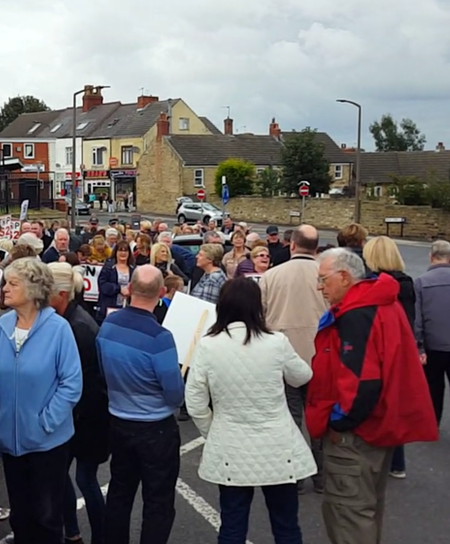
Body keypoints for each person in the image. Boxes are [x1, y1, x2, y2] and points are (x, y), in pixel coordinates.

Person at [309, 248, 437, 544]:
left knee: (348, 514)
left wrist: (339, 422)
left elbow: (362, 381)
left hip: (356, 435)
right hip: (381, 426)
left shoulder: (356, 314)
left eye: (323, 279)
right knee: (367, 510)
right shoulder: (382, 302)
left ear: (344, 277)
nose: (320, 287)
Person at [185, 278, 316, 543]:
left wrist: (213, 432)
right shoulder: (276, 341)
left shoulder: (209, 345)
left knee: (232, 524)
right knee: (286, 525)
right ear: (258, 306)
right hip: (277, 446)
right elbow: (302, 376)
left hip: (231, 445)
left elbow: (195, 400)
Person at [0, 257, 82, 544]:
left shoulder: (58, 329)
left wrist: (45, 423)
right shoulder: (1, 327)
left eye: (13, 283)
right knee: (21, 517)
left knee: (47, 518)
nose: (5, 288)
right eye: (6, 282)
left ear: (34, 289)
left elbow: (71, 383)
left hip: (46, 444)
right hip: (10, 443)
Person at [97, 265, 184, 544]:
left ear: (130, 289)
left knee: (120, 493)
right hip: (156, 428)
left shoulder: (108, 325)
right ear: (161, 293)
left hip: (119, 422)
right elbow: (175, 394)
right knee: (158, 500)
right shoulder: (161, 338)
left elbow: (102, 370)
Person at [259, 223, 327, 492]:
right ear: (317, 247)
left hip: (284, 355)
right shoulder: (327, 275)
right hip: (320, 355)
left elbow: (260, 317)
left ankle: (297, 475)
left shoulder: (272, 276)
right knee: (319, 418)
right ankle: (321, 476)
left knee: (291, 416)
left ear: (292, 245)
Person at [50, 263, 108, 544]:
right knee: (65, 478)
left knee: (83, 479)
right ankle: (72, 533)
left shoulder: (78, 327)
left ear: (61, 294)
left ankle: (96, 534)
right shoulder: (73, 320)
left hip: (86, 421)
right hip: (82, 418)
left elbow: (83, 384)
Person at [363, 236, 416, 478]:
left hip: (378, 346)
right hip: (401, 346)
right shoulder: (406, 283)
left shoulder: (372, 286)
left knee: (375, 401)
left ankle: (376, 458)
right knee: (395, 401)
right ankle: (398, 462)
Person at [414, 240, 450, 426]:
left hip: (433, 345)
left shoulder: (421, 282)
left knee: (434, 387)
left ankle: (432, 423)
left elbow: (417, 319)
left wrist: (419, 347)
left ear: (431, 257)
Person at [97, 244, 133, 321]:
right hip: (109, 306)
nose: (123, 253)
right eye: (120, 250)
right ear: (115, 252)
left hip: (127, 307)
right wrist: (119, 289)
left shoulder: (133, 268)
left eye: (125, 250)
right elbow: (102, 285)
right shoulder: (108, 267)